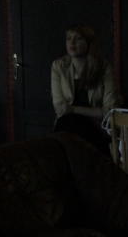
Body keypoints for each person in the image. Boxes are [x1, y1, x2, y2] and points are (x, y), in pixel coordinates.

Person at [51, 23, 123, 152]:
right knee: (66, 123)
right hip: (69, 125)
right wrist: (70, 111)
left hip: (98, 125)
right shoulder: (59, 66)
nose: (72, 42)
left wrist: (73, 109)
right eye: (68, 38)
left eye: (78, 38)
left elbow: (110, 111)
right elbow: (60, 109)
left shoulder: (104, 68)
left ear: (89, 42)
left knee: (68, 125)